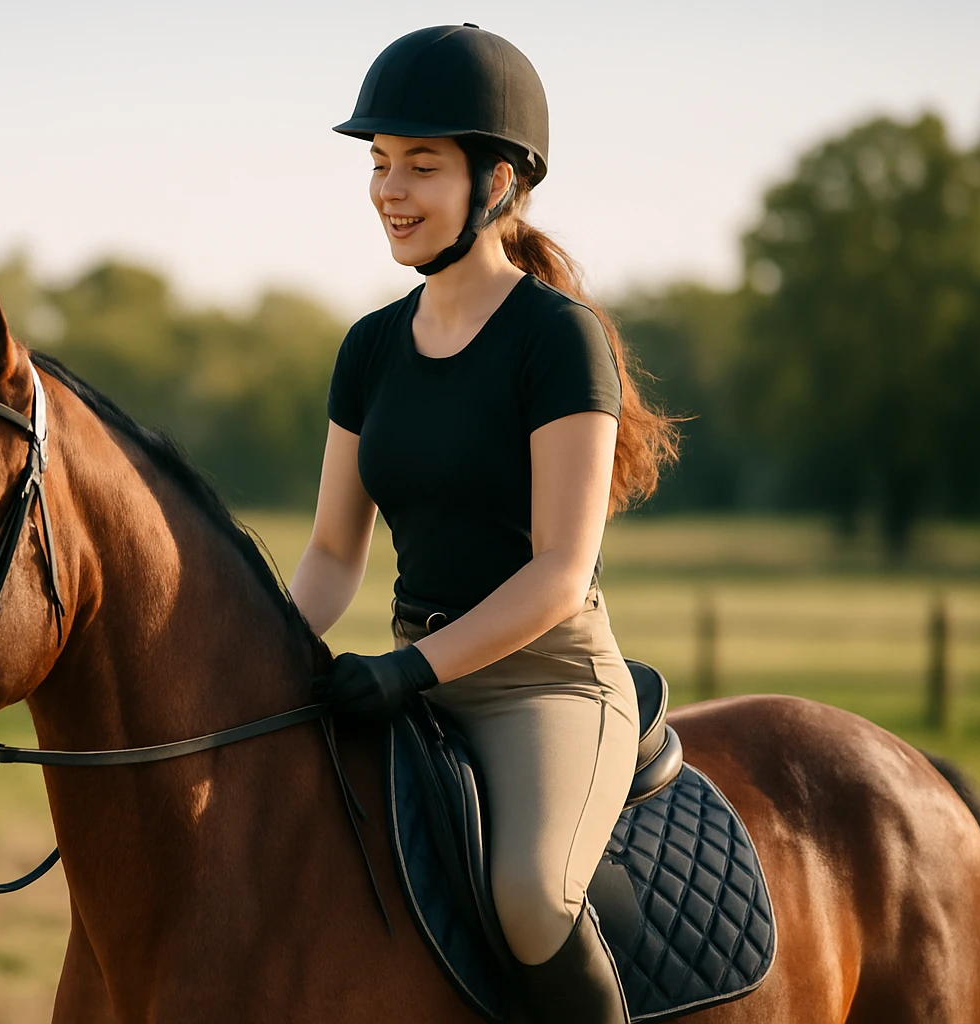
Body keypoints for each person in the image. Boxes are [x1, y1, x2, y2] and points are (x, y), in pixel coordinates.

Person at [288, 24, 678, 1024]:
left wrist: (407, 671)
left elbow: (559, 570)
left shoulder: (560, 341)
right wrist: (270, 650)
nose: (390, 190)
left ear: (497, 182)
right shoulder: (369, 348)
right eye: (379, 164)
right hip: (411, 676)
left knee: (531, 898)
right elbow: (332, 551)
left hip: (545, 683)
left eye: (421, 166)